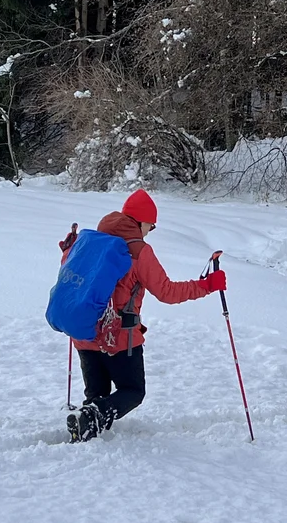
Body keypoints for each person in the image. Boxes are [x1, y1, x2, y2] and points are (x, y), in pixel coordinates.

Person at [65, 188, 223, 441]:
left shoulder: (90, 240)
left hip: (83, 332)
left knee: (98, 396)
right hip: (119, 338)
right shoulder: (139, 251)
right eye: (151, 225)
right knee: (132, 391)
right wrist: (207, 285)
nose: (150, 230)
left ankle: (86, 427)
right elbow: (168, 292)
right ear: (141, 221)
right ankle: (91, 418)